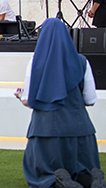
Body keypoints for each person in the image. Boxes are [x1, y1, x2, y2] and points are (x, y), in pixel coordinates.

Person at [16, 18, 105, 188]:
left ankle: (58, 182)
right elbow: (90, 100)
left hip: (46, 129)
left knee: (43, 174)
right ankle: (92, 179)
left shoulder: (34, 63)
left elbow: (29, 99)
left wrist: (20, 97)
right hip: (80, 129)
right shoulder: (82, 62)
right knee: (83, 169)